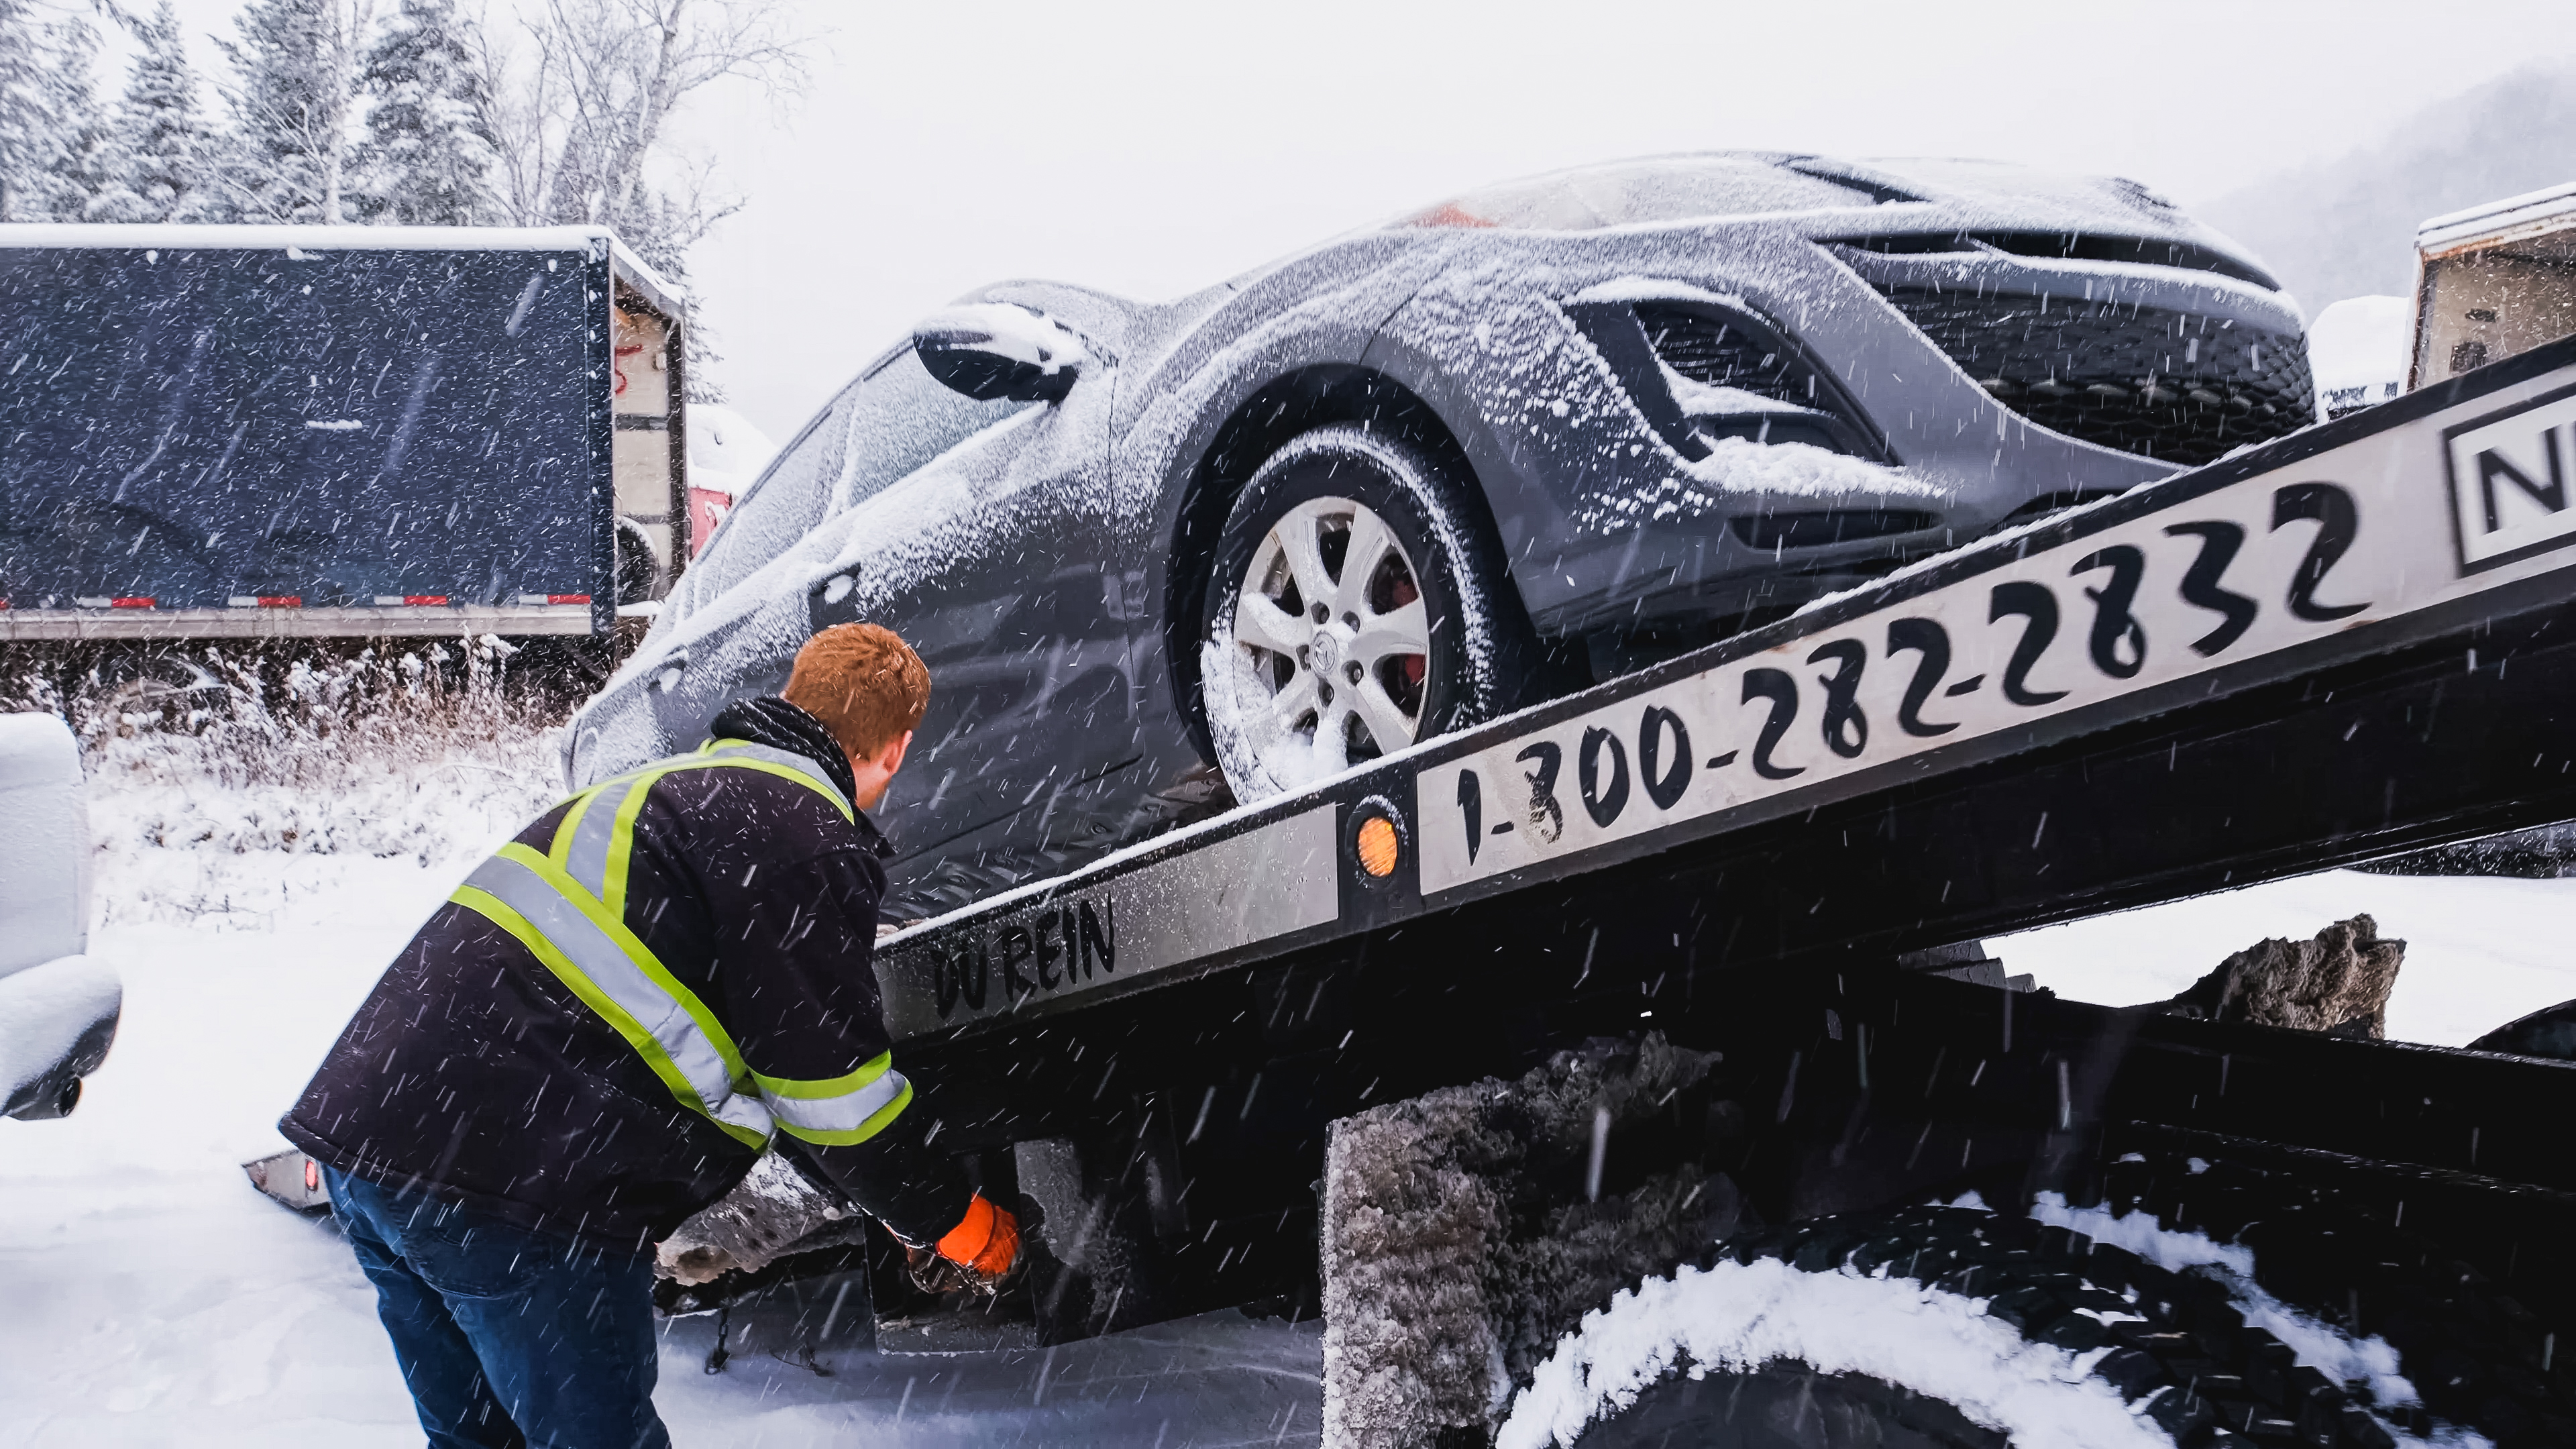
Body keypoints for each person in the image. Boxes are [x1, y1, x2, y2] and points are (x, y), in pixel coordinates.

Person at [280, 623, 1016, 1448]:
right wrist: (951, 1217)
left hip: (374, 1141)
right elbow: (829, 1092)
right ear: (899, 745)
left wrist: (878, 1192)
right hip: (510, 1184)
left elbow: (779, 1066)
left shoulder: (663, 795)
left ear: (793, 699)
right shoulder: (802, 835)